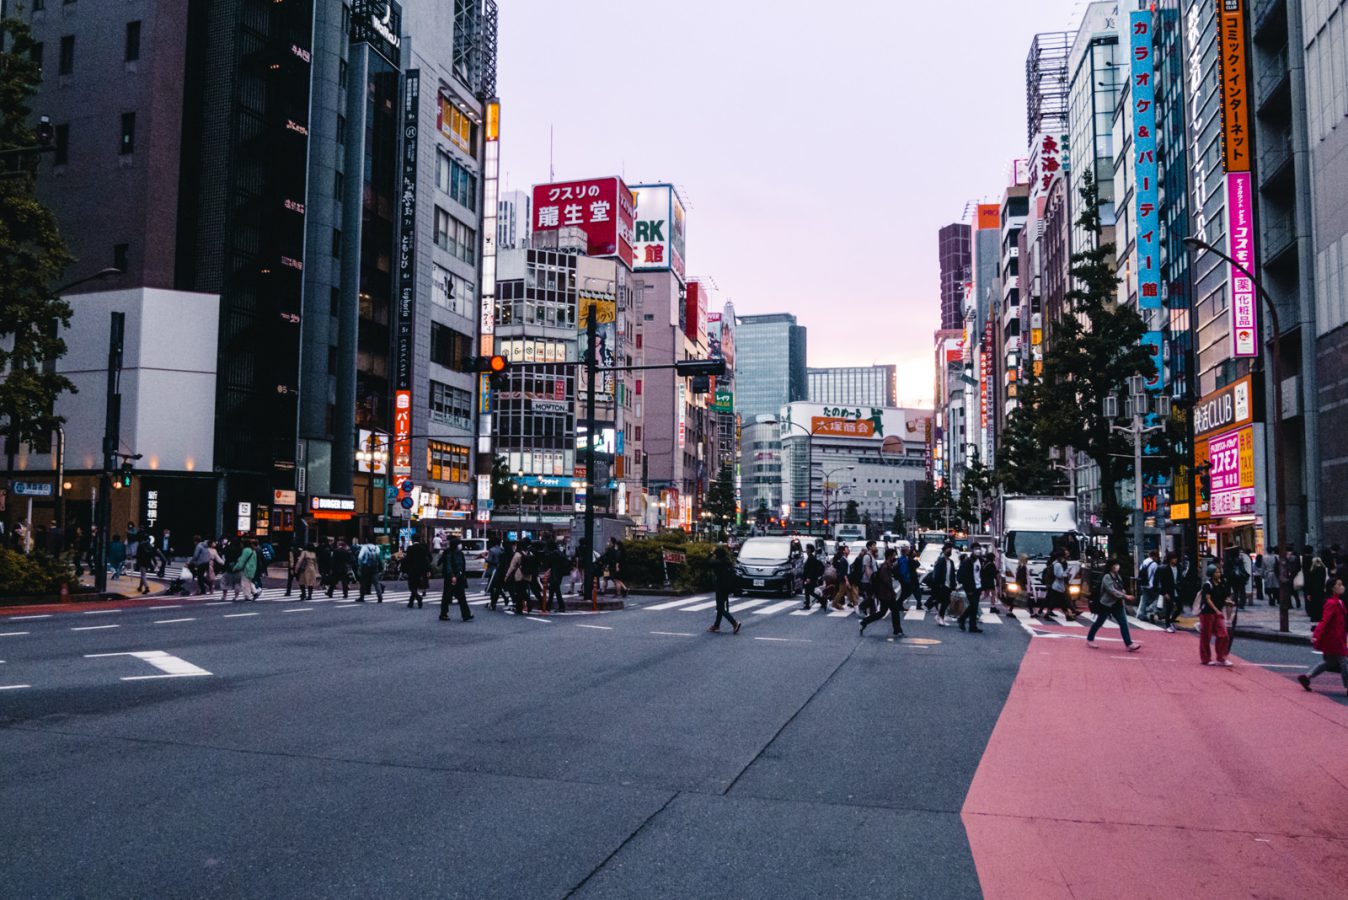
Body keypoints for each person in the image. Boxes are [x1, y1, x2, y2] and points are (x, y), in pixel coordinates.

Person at [1298, 578, 1348, 694]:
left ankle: (1307, 677)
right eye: (1339, 585)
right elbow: (1325, 621)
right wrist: (1316, 635)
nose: (1342, 587)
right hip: (1334, 638)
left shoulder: (1338, 601)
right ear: (1333, 588)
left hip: (1337, 636)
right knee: (1344, 661)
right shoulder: (1331, 603)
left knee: (1330, 662)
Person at [1086, 558, 1142, 652]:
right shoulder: (1107, 577)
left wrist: (1123, 592)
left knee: (1123, 623)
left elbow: (1119, 587)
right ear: (1112, 566)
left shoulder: (1117, 575)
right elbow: (1111, 590)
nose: (1117, 567)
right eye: (1116, 565)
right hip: (1106, 604)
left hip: (1117, 604)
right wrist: (1125, 596)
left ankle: (1129, 644)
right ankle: (1090, 638)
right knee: (1099, 622)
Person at [860, 547, 905, 640]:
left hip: (885, 594)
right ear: (889, 556)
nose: (895, 557)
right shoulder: (885, 567)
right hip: (886, 594)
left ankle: (865, 622)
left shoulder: (887, 566)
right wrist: (892, 592)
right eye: (893, 556)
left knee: (882, 612)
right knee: (894, 611)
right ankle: (897, 630)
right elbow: (886, 581)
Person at [1196, 564, 1232, 667]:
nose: (1219, 574)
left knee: (1224, 634)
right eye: (1216, 572)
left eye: (1219, 572)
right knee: (1206, 637)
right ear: (1211, 574)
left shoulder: (1223, 584)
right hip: (1207, 613)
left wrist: (1228, 602)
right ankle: (1206, 658)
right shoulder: (1208, 584)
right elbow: (1207, 599)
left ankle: (1221, 657)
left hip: (1218, 612)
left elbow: (1225, 597)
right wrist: (1216, 610)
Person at [439, 537, 474, 622]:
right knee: (447, 596)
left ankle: (466, 615)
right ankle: (444, 614)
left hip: (459, 577)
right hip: (451, 578)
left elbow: (462, 565)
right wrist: (452, 576)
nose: (460, 545)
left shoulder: (459, 553)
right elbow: (448, 565)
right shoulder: (449, 553)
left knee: (461, 597)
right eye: (459, 544)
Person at [708, 545, 741, 634]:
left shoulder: (719, 562)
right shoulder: (727, 561)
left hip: (720, 587)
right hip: (727, 587)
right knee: (721, 607)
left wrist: (710, 554)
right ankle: (716, 626)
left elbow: (709, 563)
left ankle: (734, 623)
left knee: (720, 608)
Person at [931, 543, 958, 627]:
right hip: (942, 585)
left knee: (945, 601)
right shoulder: (941, 560)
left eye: (951, 549)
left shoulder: (951, 562)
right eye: (948, 549)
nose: (950, 551)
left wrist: (954, 585)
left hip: (949, 585)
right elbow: (937, 573)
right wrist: (938, 584)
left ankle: (939, 616)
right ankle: (940, 618)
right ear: (944, 550)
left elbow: (952, 574)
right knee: (945, 601)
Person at [957, 548, 982, 632]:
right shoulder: (968, 562)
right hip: (971, 588)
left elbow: (980, 574)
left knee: (974, 607)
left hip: (978, 587)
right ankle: (962, 619)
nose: (978, 551)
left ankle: (972, 626)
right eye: (976, 549)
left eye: (979, 549)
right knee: (973, 605)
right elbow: (965, 576)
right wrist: (968, 589)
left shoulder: (980, 560)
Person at [1156, 552, 1182, 633]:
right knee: (1169, 608)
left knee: (1179, 607)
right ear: (1170, 559)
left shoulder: (1178, 567)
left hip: (1176, 590)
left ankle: (1171, 621)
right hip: (1168, 590)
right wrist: (1164, 593)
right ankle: (1167, 625)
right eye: (1174, 558)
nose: (1175, 560)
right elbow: (1162, 582)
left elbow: (1179, 578)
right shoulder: (1165, 569)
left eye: (1176, 558)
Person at [403, 538, 431, 608]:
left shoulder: (410, 548)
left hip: (412, 570)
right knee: (415, 585)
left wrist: (404, 570)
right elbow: (426, 560)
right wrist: (428, 570)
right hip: (421, 570)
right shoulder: (423, 548)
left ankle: (418, 597)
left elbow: (407, 560)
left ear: (412, 540)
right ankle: (411, 602)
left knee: (411, 586)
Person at [1137, 550, 1161, 622]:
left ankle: (1142, 614)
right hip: (1151, 585)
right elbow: (1156, 575)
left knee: (1144, 599)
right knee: (1156, 598)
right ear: (1154, 556)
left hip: (1144, 584)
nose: (1157, 558)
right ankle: (1151, 611)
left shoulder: (1144, 562)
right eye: (1157, 557)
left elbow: (1140, 571)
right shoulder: (1154, 564)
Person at [856, 540, 878, 616]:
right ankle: (861, 607)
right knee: (871, 596)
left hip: (871, 579)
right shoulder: (867, 556)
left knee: (871, 596)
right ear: (869, 547)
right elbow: (867, 568)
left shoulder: (872, 556)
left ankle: (873, 612)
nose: (875, 547)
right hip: (867, 580)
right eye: (873, 545)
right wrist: (871, 579)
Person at [547, 540, 569, 613]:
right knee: (553, 590)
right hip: (559, 573)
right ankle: (548, 606)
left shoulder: (553, 553)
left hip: (555, 574)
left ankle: (560, 606)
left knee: (555, 590)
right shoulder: (559, 552)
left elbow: (550, 564)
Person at [1305, 556, 1329, 623]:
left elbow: (1309, 582)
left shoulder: (1312, 570)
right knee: (1320, 604)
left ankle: (1314, 617)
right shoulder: (1323, 569)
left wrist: (1308, 593)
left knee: (1313, 604)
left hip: (1313, 590)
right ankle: (1320, 616)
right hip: (1321, 589)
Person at [801, 544, 824, 610]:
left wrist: (809, 578)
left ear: (810, 550)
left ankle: (809, 605)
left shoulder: (811, 558)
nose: (806, 549)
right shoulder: (810, 557)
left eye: (807, 548)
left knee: (808, 591)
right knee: (809, 592)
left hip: (810, 578)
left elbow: (812, 569)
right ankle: (822, 601)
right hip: (810, 577)